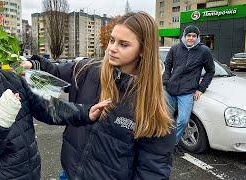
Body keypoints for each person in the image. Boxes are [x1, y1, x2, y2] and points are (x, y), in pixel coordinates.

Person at [0, 27, 111, 180]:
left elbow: (45, 109)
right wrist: (0, 119)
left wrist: (84, 113)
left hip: (29, 172)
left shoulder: (9, 77)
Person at [22, 12, 175, 179]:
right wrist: (31, 65)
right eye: (111, 40)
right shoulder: (87, 70)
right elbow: (55, 71)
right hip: (69, 174)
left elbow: (153, 170)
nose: (112, 48)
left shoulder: (154, 103)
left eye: (123, 44)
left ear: (143, 50)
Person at [162, 25, 215, 147]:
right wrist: (166, 81)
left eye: (194, 36)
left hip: (187, 92)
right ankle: (163, 142)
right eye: (188, 35)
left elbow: (210, 71)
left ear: (197, 37)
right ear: (184, 36)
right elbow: (168, 66)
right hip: (170, 90)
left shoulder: (204, 51)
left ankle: (172, 144)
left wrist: (201, 89)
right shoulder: (175, 48)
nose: (191, 38)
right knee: (166, 119)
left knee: (183, 120)